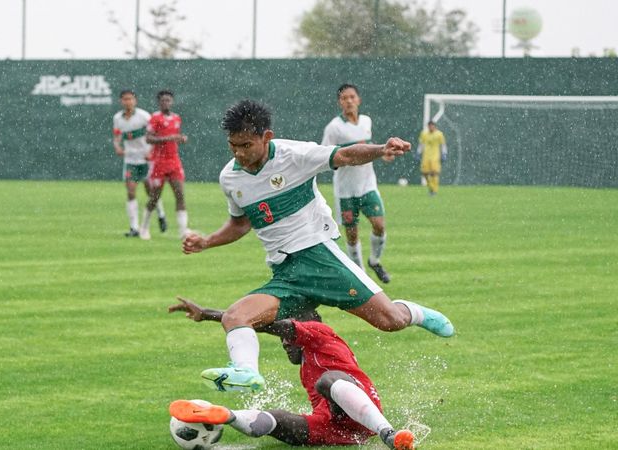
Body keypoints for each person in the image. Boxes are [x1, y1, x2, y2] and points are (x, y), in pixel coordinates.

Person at [182, 99, 454, 393]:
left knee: (390, 321)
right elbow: (240, 223)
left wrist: (380, 150)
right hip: (285, 274)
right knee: (237, 317)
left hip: (320, 257)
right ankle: (246, 373)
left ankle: (420, 313)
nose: (238, 153)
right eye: (232, 145)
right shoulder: (230, 177)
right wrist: (206, 241)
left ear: (266, 137)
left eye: (246, 145)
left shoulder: (294, 155)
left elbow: (346, 155)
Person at [168, 298, 419, 450]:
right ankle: (228, 416)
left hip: (362, 409)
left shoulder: (320, 332)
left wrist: (212, 315)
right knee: (278, 420)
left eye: (290, 339)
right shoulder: (306, 363)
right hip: (335, 428)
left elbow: (275, 327)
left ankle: (390, 434)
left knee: (328, 381)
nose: (286, 344)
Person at [321, 83, 391, 283]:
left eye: (352, 97)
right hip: (345, 190)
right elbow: (325, 154)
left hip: (368, 185)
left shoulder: (366, 121)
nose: (349, 101)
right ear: (339, 102)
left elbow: (369, 149)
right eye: (345, 98)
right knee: (352, 235)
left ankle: (375, 261)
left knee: (379, 225)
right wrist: (349, 152)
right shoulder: (334, 127)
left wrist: (382, 154)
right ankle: (361, 274)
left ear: (358, 100)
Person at [111, 89, 166, 237]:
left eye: (130, 99)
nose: (128, 102)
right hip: (130, 160)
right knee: (130, 191)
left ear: (135, 100)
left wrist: (151, 152)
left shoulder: (144, 116)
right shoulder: (118, 118)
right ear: (121, 101)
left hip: (146, 159)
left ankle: (161, 213)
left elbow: (155, 134)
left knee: (151, 191)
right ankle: (134, 227)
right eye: (125, 99)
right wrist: (117, 147)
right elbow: (116, 135)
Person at [140, 90, 189, 240]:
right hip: (159, 162)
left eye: (168, 100)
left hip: (174, 161)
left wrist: (181, 138)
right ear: (159, 102)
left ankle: (183, 231)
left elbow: (175, 137)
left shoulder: (176, 118)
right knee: (154, 197)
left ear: (172, 101)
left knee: (180, 195)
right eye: (163, 100)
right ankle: (144, 227)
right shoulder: (155, 118)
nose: (165, 103)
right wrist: (169, 138)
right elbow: (148, 138)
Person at [417, 121, 447, 196]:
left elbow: (443, 145)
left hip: (435, 157)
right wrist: (418, 153)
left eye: (432, 126)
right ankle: (431, 187)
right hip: (426, 156)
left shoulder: (439, 134)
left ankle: (434, 190)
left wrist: (444, 154)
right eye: (429, 126)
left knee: (434, 173)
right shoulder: (424, 134)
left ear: (435, 126)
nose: (430, 127)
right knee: (425, 173)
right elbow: (421, 144)